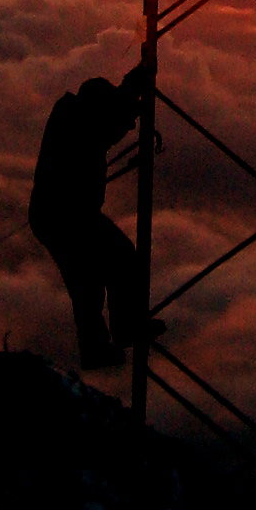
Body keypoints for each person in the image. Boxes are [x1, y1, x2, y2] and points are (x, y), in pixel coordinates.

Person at [28, 64, 156, 371]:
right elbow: (108, 123)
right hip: (67, 215)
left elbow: (109, 115)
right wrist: (132, 98)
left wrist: (131, 88)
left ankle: (103, 343)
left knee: (88, 281)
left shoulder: (75, 115)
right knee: (118, 262)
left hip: (58, 214)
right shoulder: (84, 123)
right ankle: (120, 332)